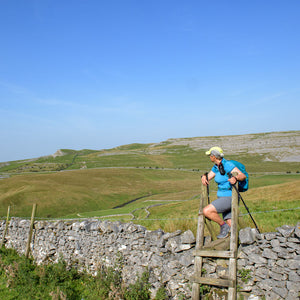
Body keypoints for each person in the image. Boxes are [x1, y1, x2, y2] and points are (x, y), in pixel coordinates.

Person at [201, 146, 246, 239]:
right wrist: (203, 176)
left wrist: (235, 178)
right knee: (230, 222)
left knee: (207, 211)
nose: (209, 157)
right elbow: (208, 177)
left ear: (214, 156)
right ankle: (236, 243)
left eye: (210, 155)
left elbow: (242, 176)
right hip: (222, 198)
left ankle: (223, 226)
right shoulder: (216, 167)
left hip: (229, 197)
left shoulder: (227, 165)